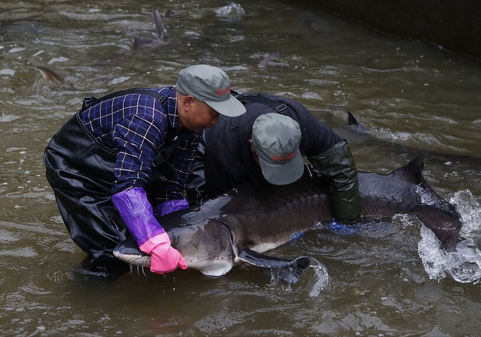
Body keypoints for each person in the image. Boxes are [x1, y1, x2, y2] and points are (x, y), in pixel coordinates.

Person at [43, 65, 246, 277]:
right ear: (188, 102)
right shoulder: (147, 118)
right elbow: (128, 185)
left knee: (149, 234)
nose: (216, 122)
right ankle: (86, 296)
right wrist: (155, 242)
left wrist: (178, 236)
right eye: (214, 113)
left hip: (119, 164)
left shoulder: (192, 127)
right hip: (75, 166)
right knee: (112, 252)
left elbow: (172, 186)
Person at [188, 92, 361, 223]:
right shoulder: (224, 155)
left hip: (257, 111)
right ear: (252, 147)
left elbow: (343, 171)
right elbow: (219, 211)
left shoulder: (305, 124)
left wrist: (348, 222)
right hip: (206, 146)